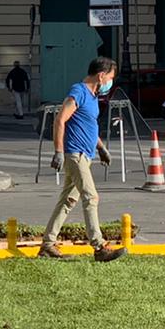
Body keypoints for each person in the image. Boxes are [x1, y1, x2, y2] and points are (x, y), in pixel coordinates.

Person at [41, 56, 125, 261]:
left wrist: (102, 148)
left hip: (86, 155)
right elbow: (60, 120)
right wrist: (59, 151)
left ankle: (47, 245)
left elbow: (88, 126)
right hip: (75, 154)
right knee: (91, 196)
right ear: (101, 75)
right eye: (110, 77)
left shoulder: (93, 98)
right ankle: (99, 246)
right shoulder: (78, 91)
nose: (110, 82)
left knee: (68, 201)